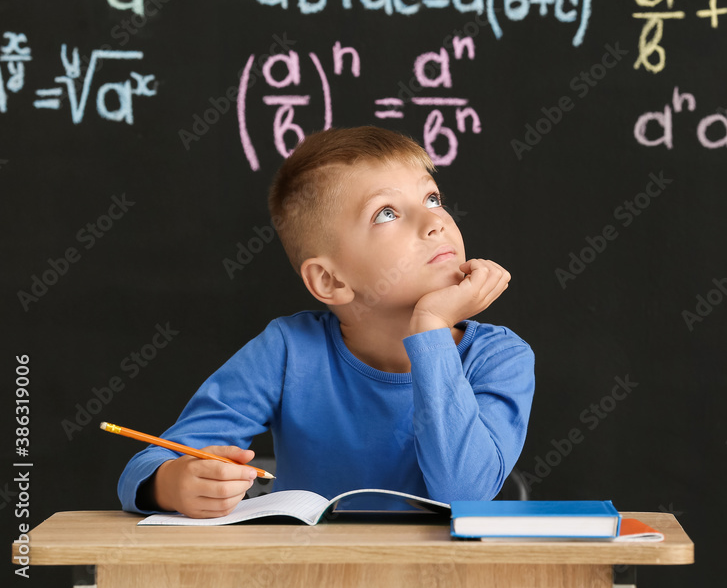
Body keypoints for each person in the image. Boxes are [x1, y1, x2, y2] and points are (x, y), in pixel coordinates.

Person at [117, 126, 534, 518]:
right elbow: (151, 461)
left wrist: (430, 328)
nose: (435, 222)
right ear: (330, 280)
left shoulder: (499, 357)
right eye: (387, 213)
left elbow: (462, 493)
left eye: (432, 199)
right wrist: (170, 484)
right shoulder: (288, 349)